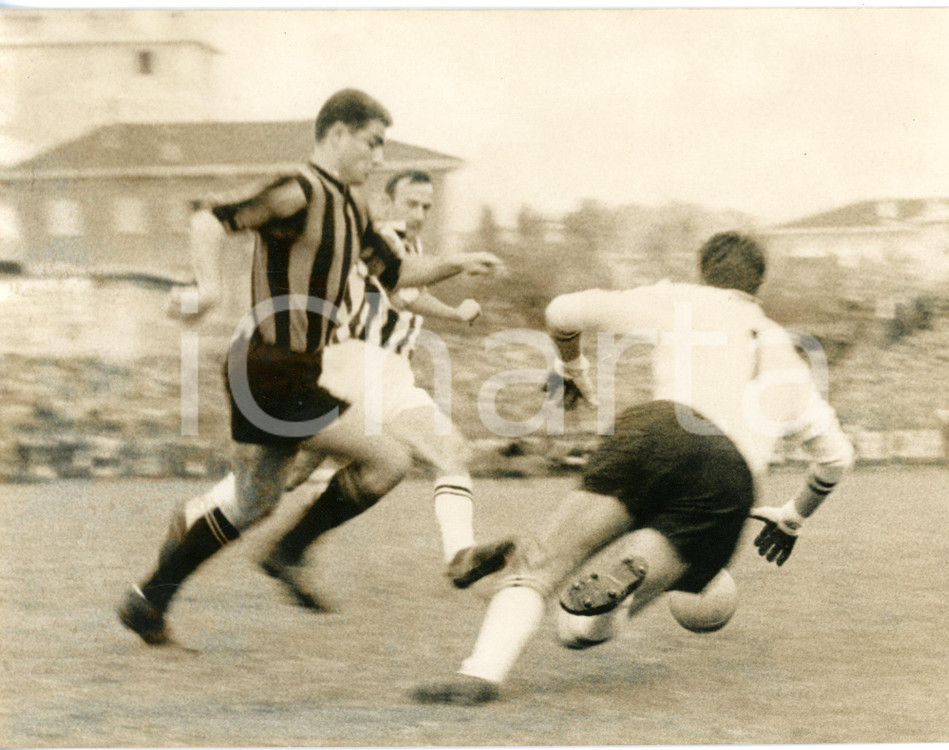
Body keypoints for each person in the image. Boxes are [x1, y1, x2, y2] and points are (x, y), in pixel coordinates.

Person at [117, 88, 503, 646]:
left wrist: (458, 262)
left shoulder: (355, 209)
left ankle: (149, 600)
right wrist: (208, 287)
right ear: (338, 133)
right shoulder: (297, 191)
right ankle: (287, 553)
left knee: (255, 502)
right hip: (269, 365)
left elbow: (396, 277)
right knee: (388, 459)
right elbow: (209, 221)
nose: (378, 158)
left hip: (290, 370)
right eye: (372, 144)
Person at [412, 231, 854, 705]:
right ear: (757, 285)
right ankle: (631, 575)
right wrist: (791, 518)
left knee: (543, 567)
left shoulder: (679, 299)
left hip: (661, 432)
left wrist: (573, 369)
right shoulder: (786, 354)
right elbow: (837, 459)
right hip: (733, 478)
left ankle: (482, 674)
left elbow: (562, 312)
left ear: (704, 270)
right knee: (578, 632)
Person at [257, 168, 500, 610]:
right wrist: (459, 268)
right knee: (281, 479)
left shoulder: (410, 249)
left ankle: (461, 556)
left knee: (451, 452)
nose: (421, 213)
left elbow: (408, 297)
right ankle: (251, 539)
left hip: (390, 374)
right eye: (411, 203)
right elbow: (398, 287)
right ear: (386, 205)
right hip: (349, 364)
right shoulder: (378, 243)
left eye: (427, 205)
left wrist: (455, 314)